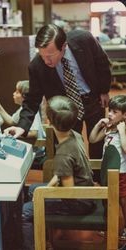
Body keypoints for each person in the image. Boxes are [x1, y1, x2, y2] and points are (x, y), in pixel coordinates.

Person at [4, 24, 111, 159]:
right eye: (42, 55)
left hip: (93, 99)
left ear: (64, 46)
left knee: (98, 142)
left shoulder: (84, 39)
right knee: (70, 148)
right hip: (66, 110)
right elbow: (32, 100)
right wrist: (22, 127)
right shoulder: (36, 66)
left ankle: (97, 177)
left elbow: (102, 62)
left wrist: (104, 90)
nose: (46, 61)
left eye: (50, 56)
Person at [22, 96, 95, 250]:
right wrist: (44, 189)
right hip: (85, 194)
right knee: (33, 189)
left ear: (49, 121)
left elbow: (68, 193)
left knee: (25, 211)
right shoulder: (75, 135)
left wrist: (42, 195)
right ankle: (44, 239)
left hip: (78, 202)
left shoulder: (63, 154)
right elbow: (62, 174)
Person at [89, 95, 126, 250]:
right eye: (109, 110)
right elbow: (92, 139)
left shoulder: (124, 129)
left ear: (124, 115)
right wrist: (99, 125)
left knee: (124, 204)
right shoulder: (109, 127)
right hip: (107, 173)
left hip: (122, 174)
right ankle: (108, 229)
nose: (109, 114)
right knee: (108, 203)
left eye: (114, 111)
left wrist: (122, 131)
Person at [0, 80, 45, 163]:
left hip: (37, 155)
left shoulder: (31, 111)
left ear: (25, 97)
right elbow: (11, 121)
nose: (13, 94)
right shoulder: (23, 109)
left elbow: (34, 133)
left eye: (17, 92)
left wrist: (13, 135)